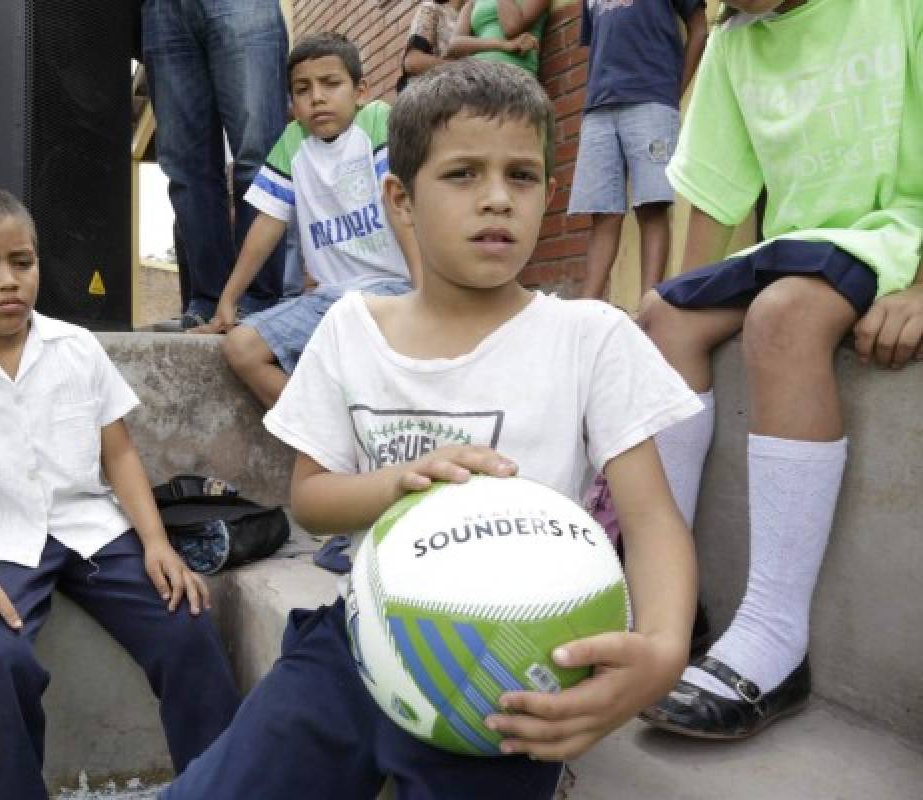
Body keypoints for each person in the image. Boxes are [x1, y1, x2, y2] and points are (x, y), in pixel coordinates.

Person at [161, 59, 702, 800]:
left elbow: (654, 521)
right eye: (462, 175)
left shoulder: (590, 336)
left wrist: (664, 651)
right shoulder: (351, 329)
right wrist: (401, 484)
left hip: (507, 674)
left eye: (522, 176)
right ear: (401, 199)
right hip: (361, 636)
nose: (496, 200)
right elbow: (311, 499)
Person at [637, 0, 923, 741]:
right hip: (800, 246)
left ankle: (774, 633)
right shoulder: (735, 41)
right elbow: (711, 197)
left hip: (899, 234)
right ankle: (669, 598)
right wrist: (675, 300)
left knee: (782, 317)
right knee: (659, 317)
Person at [0, 185, 241, 799]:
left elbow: (119, 451)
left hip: (93, 529)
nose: (9, 281)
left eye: (22, 263)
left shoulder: (75, 346)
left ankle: (218, 787)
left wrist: (155, 543)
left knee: (185, 623)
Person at [194, 33, 416, 409]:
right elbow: (265, 226)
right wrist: (228, 301)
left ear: (359, 90)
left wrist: (425, 296)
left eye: (331, 84)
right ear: (293, 103)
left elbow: (404, 209)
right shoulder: (293, 142)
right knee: (242, 348)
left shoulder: (377, 121)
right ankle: (327, 434)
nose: (316, 97)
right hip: (330, 300)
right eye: (302, 89)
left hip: (395, 290)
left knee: (353, 340)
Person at [143, 0, 289, 330]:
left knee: (259, 160)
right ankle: (208, 301)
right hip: (162, 10)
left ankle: (257, 302)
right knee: (185, 168)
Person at [570, 0, 707, 300]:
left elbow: (700, 29)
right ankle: (587, 307)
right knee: (603, 213)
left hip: (651, 99)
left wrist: (672, 92)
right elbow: (599, 44)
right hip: (599, 106)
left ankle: (649, 308)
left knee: (652, 206)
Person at [446, 0, 547, 75]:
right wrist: (503, 44)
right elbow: (454, 45)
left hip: (513, 71)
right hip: (474, 71)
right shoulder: (473, 2)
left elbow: (511, 28)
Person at [397, 0, 466, 93]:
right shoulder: (431, 9)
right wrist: (463, 69)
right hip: (429, 95)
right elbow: (413, 61)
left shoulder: (476, 14)